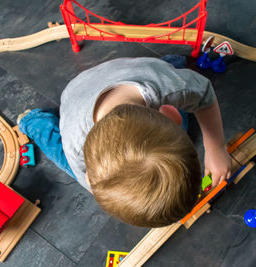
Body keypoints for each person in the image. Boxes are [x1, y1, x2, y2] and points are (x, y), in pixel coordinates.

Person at [18, 55, 232, 227]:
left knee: (175, 82)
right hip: (77, 97)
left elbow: (203, 92)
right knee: (64, 158)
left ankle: (172, 63)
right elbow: (94, 185)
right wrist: (215, 145)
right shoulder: (75, 148)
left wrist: (216, 147)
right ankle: (33, 122)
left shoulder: (168, 89)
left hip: (130, 71)